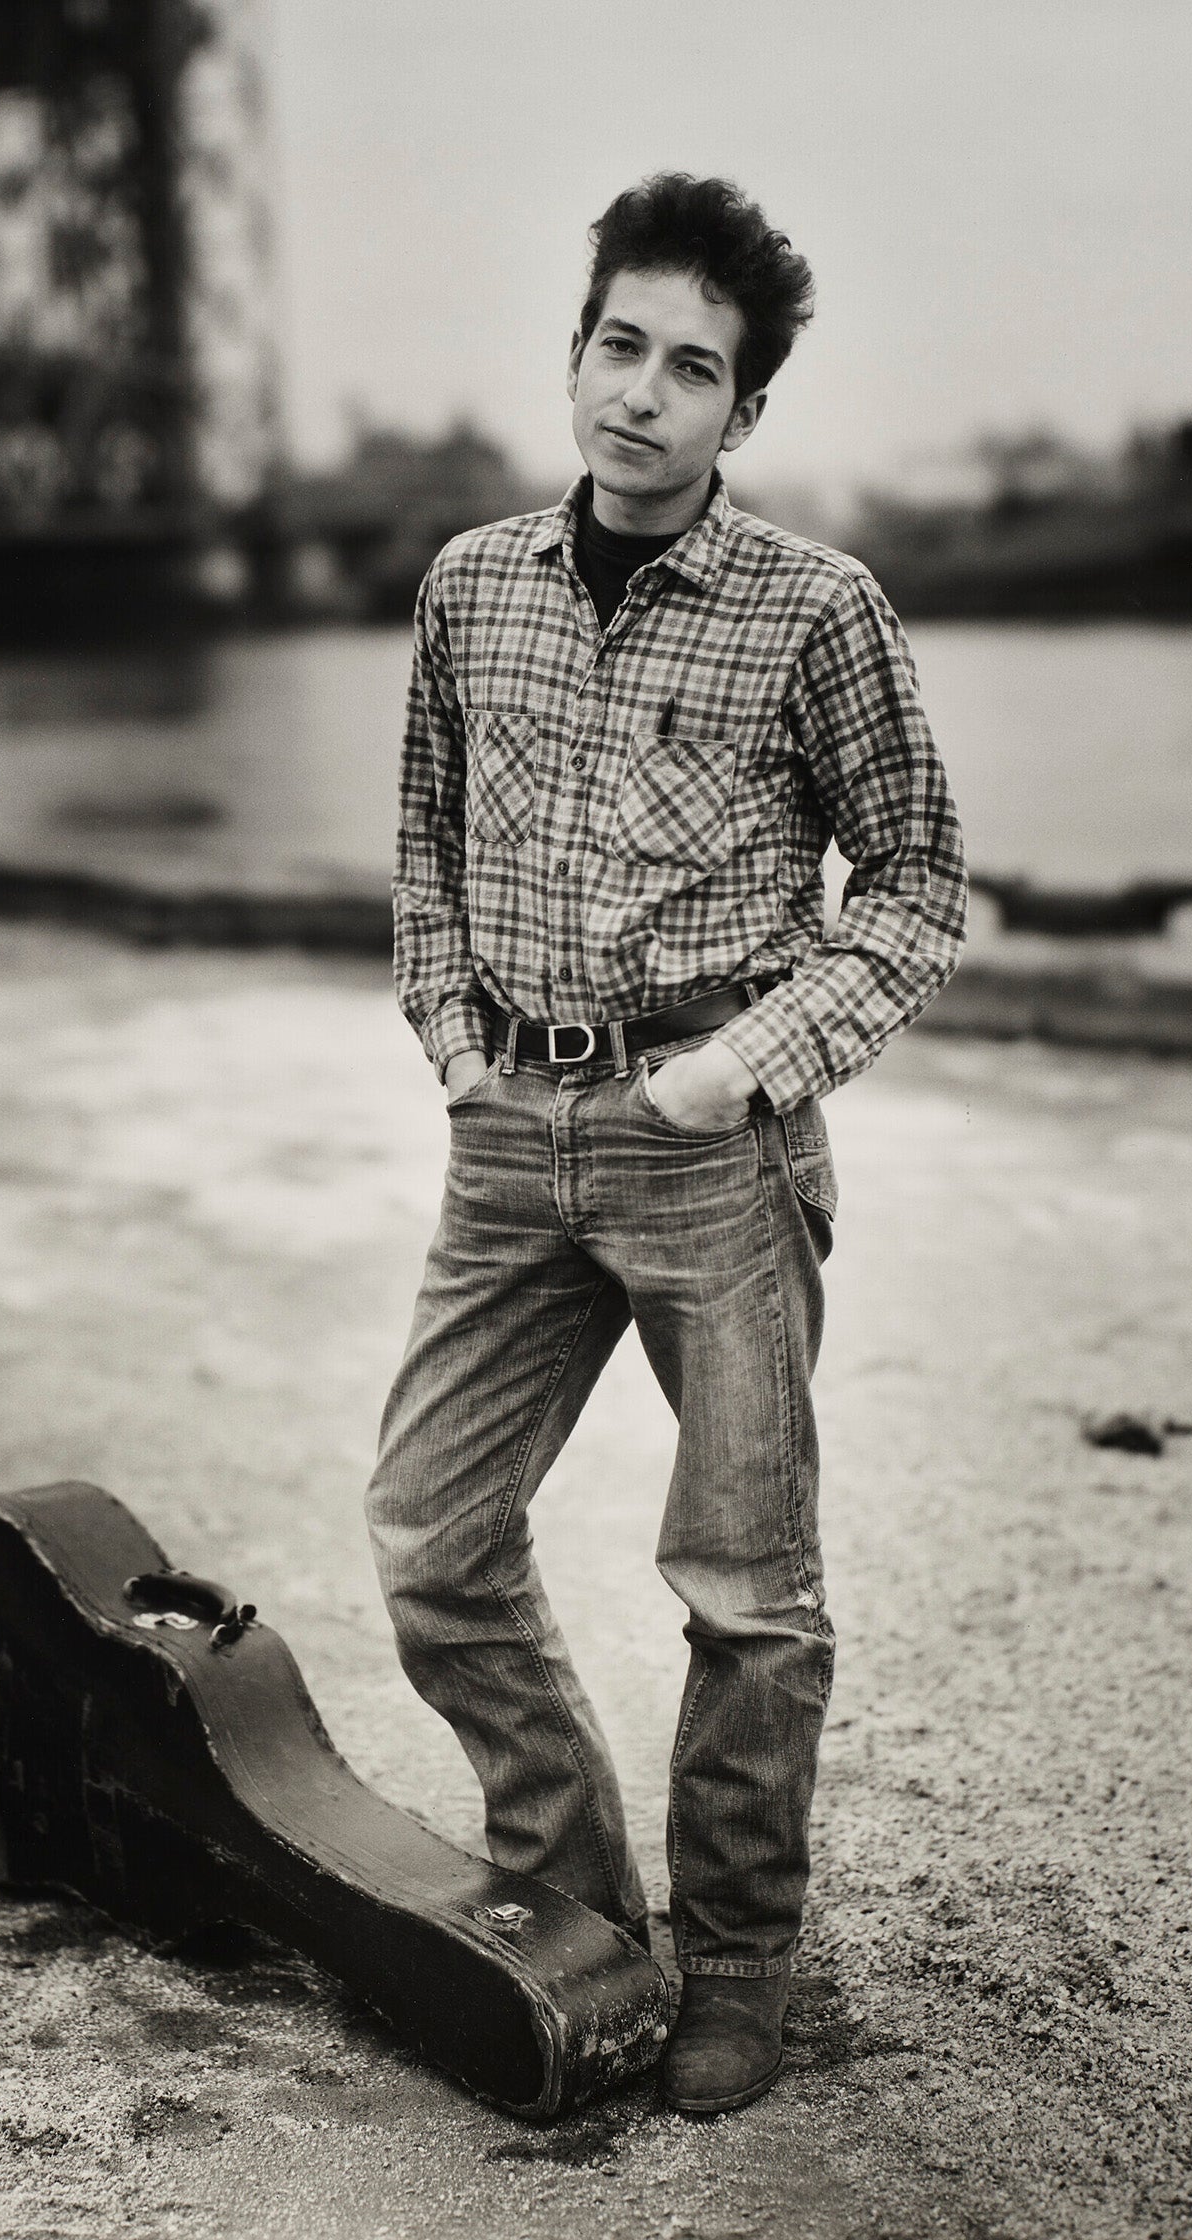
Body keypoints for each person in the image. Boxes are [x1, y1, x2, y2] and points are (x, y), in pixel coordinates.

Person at [366, 172, 967, 2115]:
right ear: (571, 352)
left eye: (688, 368)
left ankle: (736, 1961)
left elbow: (916, 884)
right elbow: (422, 846)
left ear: (742, 411)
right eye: (614, 346)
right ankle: (566, 1889)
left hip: (708, 1138)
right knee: (430, 1542)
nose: (638, 395)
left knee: (740, 1589)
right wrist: (453, 1039)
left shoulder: (818, 611)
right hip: (504, 1137)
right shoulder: (469, 584)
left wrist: (745, 1068)